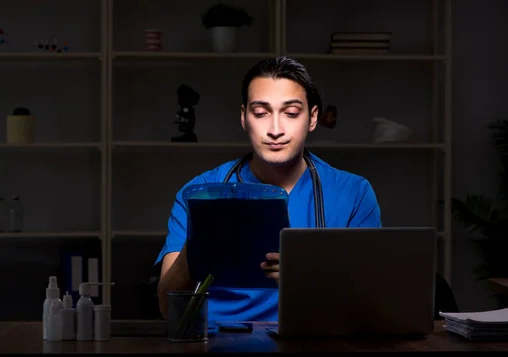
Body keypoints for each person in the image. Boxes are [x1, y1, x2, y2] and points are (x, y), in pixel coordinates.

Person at [154, 56, 382, 322]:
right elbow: (167, 308)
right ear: (243, 118)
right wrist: (199, 240)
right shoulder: (199, 192)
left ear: (313, 118)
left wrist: (305, 279)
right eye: (261, 113)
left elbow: (371, 305)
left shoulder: (353, 194)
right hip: (216, 346)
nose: (275, 129)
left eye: (291, 113)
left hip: (315, 345)